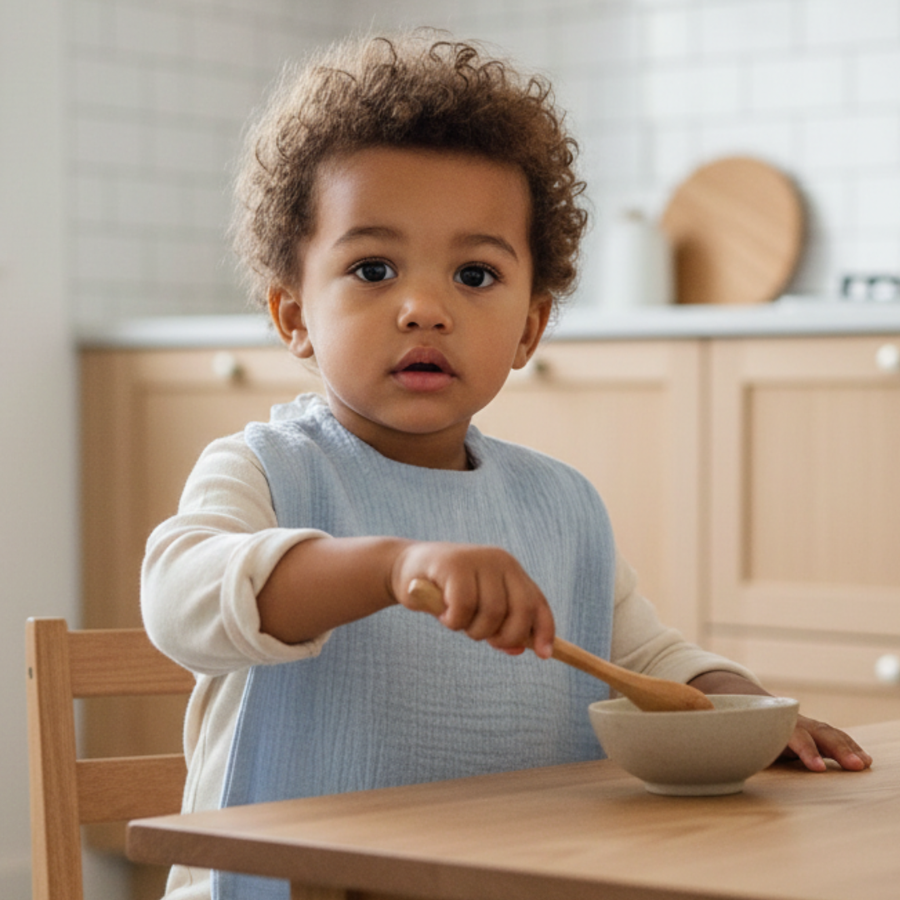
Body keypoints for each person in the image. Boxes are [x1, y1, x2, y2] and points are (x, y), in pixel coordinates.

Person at [141, 31, 871, 900]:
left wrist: (742, 710)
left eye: (476, 274)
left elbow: (645, 658)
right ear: (294, 315)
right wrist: (392, 565)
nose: (424, 308)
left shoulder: (558, 505)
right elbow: (180, 599)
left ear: (530, 326)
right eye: (374, 269)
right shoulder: (264, 470)